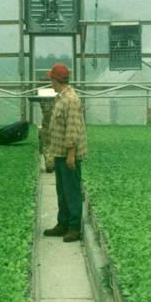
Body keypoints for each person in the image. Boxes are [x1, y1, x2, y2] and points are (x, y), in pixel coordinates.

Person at [42, 63, 87, 243]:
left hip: (69, 155)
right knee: (62, 191)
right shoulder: (61, 98)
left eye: (51, 79)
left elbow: (73, 130)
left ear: (57, 80)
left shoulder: (71, 99)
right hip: (60, 153)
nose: (50, 82)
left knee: (72, 191)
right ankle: (63, 223)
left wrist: (70, 154)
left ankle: (74, 228)